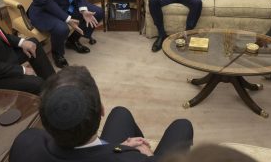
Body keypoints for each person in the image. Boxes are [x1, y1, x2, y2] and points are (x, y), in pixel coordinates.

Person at [10, 66, 193, 161]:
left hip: (108, 153)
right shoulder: (133, 160)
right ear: (101, 112)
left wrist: (118, 147)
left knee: (121, 113)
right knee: (183, 126)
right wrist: (146, 155)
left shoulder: (24, 143)